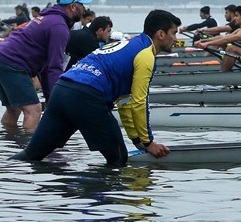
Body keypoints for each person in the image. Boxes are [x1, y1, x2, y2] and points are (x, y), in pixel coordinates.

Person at [12, 9, 180, 166]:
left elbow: (126, 103)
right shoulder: (146, 55)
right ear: (160, 34)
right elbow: (139, 103)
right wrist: (149, 142)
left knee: (32, 155)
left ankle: (1, 173)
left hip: (62, 90)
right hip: (86, 97)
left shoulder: (128, 44)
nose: (175, 39)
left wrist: (138, 141)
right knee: (118, 159)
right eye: (173, 33)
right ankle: (102, 196)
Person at [0, 0, 93, 131]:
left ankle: (8, 144)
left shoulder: (49, 18)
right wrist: (57, 99)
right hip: (11, 63)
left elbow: (45, 66)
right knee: (34, 110)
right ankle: (32, 150)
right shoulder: (59, 26)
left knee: (14, 109)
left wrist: (50, 97)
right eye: (82, 5)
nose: (84, 9)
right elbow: (54, 66)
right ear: (73, 7)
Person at [193, 4, 241, 70]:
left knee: (231, 48)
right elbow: (222, 38)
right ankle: (222, 67)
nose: (234, 18)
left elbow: (227, 39)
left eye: (236, 16)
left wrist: (207, 44)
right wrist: (203, 41)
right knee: (225, 44)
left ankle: (223, 73)